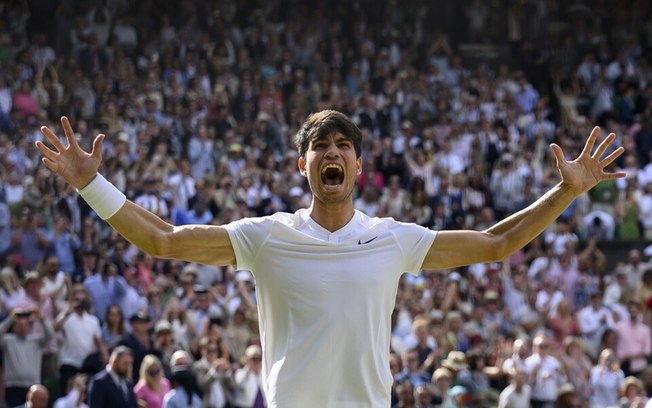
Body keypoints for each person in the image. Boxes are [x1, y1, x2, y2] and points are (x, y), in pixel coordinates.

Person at [36, 112, 625, 407]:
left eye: (344, 145)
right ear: (305, 166)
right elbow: (163, 239)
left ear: (359, 168)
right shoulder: (265, 236)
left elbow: (497, 243)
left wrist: (568, 191)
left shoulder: (394, 237)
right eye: (321, 145)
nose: (332, 152)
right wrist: (93, 186)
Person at [0, 308, 54, 407]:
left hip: (32, 386)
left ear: (29, 327)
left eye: (25, 324)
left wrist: (41, 318)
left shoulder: (36, 341)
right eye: (19, 325)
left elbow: (50, 334)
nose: (22, 327)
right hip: (13, 387)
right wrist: (10, 319)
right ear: (14, 327)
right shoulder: (8, 340)